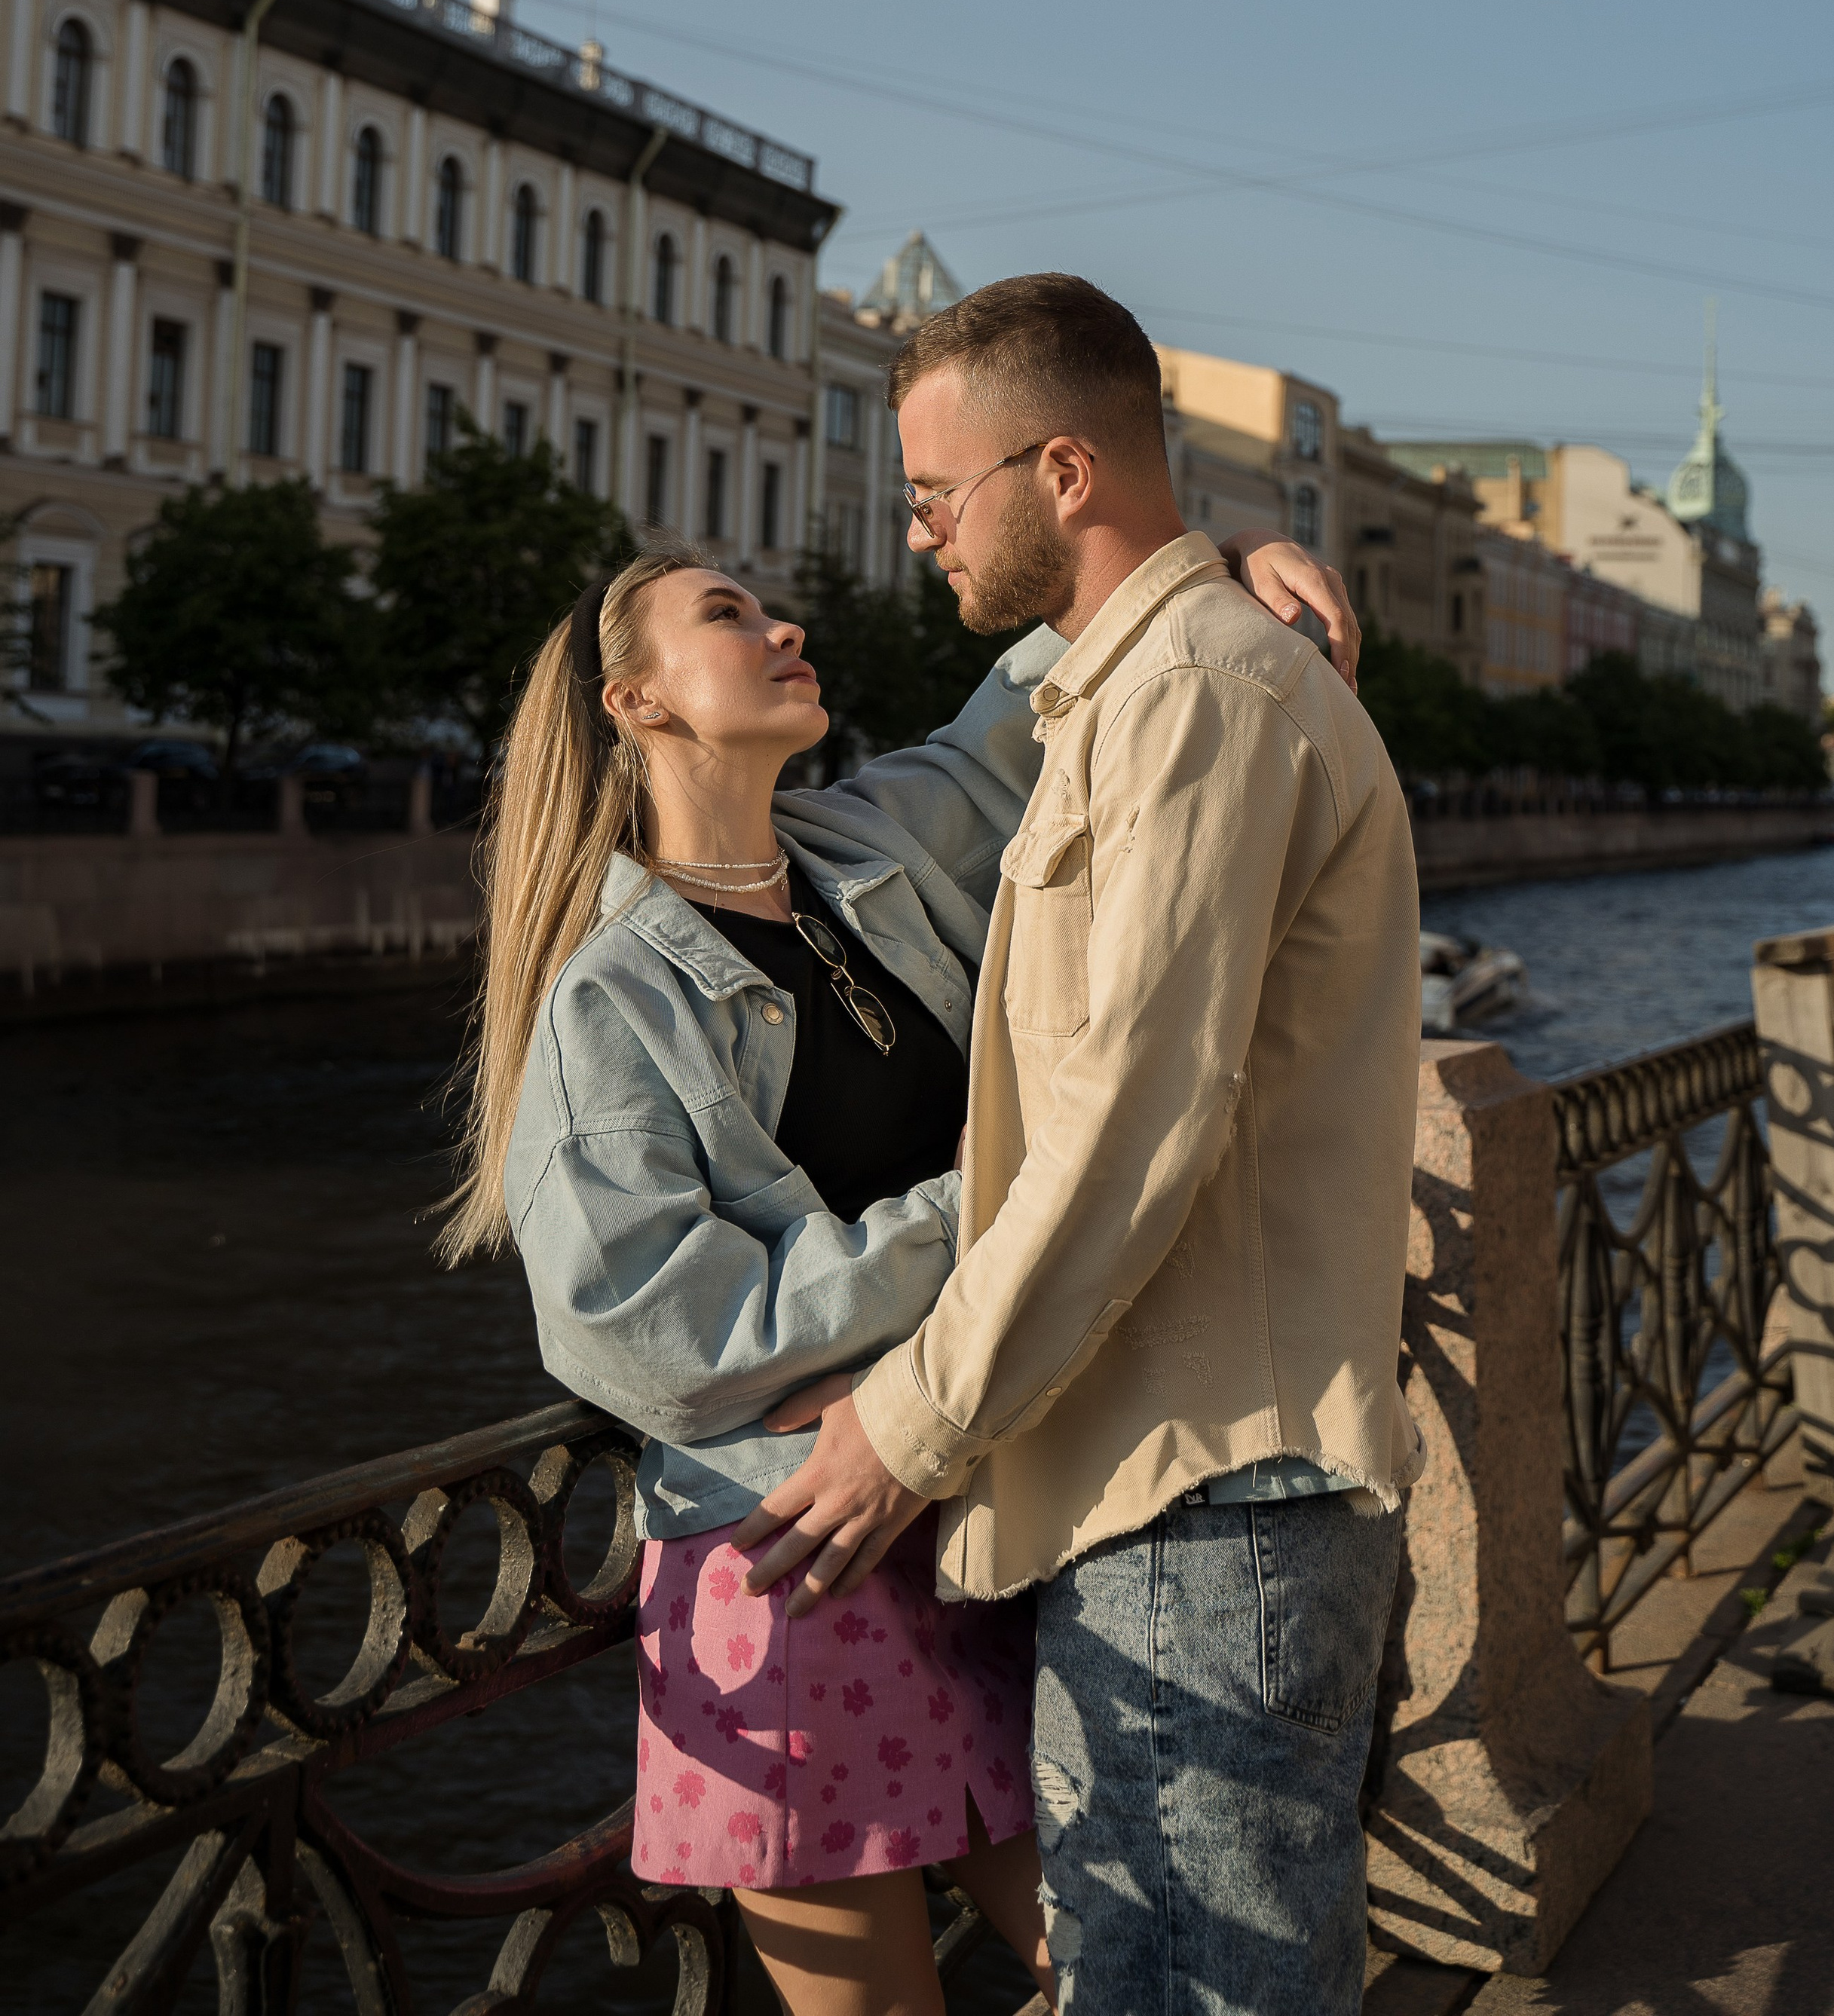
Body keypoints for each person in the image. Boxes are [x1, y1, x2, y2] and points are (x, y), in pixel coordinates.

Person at [439, 515, 1353, 2016]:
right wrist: (985, 1211)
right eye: (729, 615)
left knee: (1142, 1967)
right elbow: (642, 1330)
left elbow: (1026, 716)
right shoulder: (610, 997)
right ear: (638, 701)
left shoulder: (861, 849)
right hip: (795, 1568)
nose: (784, 629)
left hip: (979, 1507)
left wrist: (1207, 561)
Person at [739, 274, 1424, 2016]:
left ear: (1060, 473)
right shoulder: (1132, 694)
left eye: (934, 495)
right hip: (1175, 1492)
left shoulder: (1193, 697)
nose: (917, 536)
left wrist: (908, 1424)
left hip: (1203, 1500)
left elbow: (1129, 1121)